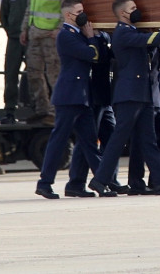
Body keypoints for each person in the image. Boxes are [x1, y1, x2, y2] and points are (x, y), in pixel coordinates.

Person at [90, 0, 160, 197]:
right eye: (133, 8)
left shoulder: (132, 32)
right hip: (129, 95)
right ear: (123, 13)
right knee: (119, 138)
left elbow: (152, 42)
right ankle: (99, 180)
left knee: (148, 140)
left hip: (142, 95)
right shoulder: (122, 33)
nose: (137, 10)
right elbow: (147, 40)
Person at [35, 0, 107, 199]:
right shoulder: (66, 36)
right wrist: (92, 37)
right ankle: (44, 183)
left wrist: (95, 37)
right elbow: (91, 55)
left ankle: (101, 181)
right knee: (58, 141)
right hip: (69, 96)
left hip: (81, 96)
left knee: (90, 142)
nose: (83, 15)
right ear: (68, 15)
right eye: (79, 12)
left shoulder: (78, 34)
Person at [64, 27, 121, 196]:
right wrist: (92, 37)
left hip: (104, 95)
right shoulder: (79, 37)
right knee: (86, 141)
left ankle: (110, 178)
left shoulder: (103, 36)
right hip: (91, 95)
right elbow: (92, 57)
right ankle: (75, 183)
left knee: (112, 139)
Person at [20, 0, 72, 123]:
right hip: (35, 34)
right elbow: (30, 6)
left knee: (54, 74)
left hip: (51, 35)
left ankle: (57, 111)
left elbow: (68, 5)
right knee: (34, 73)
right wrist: (24, 28)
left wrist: (60, 29)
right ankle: (42, 110)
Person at [125, 34, 160, 194]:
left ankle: (156, 178)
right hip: (145, 97)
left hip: (159, 97)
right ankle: (136, 182)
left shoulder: (158, 36)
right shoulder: (141, 37)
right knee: (141, 140)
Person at [0, 0, 32, 122]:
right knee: (10, 74)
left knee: (35, 73)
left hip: (33, 40)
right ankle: (10, 110)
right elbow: (3, 16)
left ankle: (35, 107)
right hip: (14, 40)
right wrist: (11, 31)